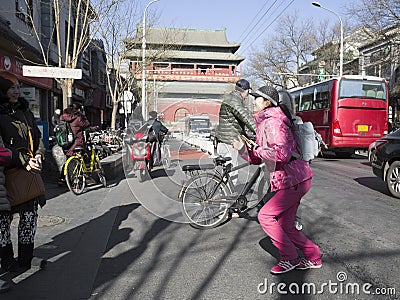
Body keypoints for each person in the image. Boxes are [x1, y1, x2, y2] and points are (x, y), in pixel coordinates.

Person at [231, 85, 322, 275]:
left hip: (293, 179)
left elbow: (281, 154)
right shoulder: (264, 122)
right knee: (286, 225)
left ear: (266, 102)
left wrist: (255, 149)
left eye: (256, 97)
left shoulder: (273, 121)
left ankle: (290, 258)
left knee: (265, 216)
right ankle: (313, 256)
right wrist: (242, 148)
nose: (253, 100)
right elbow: (259, 159)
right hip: (295, 178)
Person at [0, 71, 46, 273]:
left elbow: (37, 139)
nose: (16, 91)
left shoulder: (26, 113)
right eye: (11, 88)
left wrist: (38, 155)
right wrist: (21, 159)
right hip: (5, 176)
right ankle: (7, 261)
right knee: (3, 223)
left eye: (18, 87)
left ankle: (25, 260)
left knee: (29, 217)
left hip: (27, 173)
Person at [216, 79, 256, 184]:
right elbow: (246, 118)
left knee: (227, 172)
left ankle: (223, 193)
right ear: (245, 91)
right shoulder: (234, 101)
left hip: (224, 140)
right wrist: (258, 131)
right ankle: (228, 197)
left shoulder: (231, 98)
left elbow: (238, 121)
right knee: (232, 171)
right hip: (229, 142)